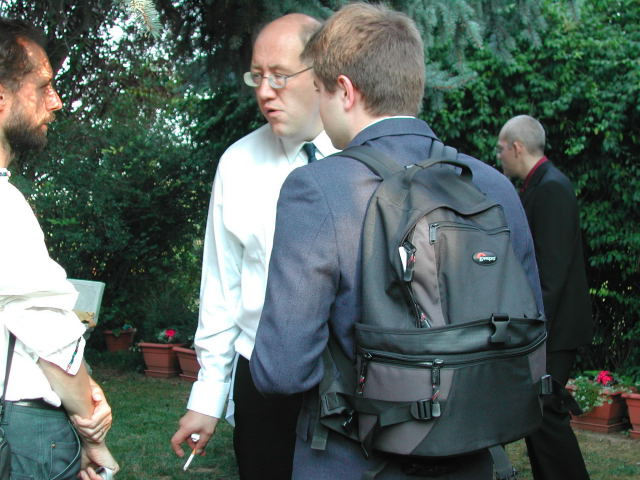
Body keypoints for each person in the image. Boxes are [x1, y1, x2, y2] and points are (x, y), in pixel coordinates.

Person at [250, 3, 543, 479]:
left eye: (321, 91)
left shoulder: (317, 188)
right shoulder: (492, 186)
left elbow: (281, 371)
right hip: (473, 455)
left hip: (352, 460)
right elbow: (530, 330)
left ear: (345, 90)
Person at [170, 13, 337, 479]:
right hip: (261, 380)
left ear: (322, 72)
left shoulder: (365, 157)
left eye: (279, 76)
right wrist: (208, 396)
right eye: (257, 76)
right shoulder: (238, 164)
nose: (264, 91)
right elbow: (221, 289)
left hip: (353, 379)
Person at [0, 17, 119, 480]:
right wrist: (93, 427)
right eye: (43, 86)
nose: (57, 101)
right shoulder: (4, 206)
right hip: (21, 430)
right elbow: (48, 331)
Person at [497, 114, 592, 480]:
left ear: (517, 147)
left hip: (554, 327)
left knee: (546, 411)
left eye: (501, 149)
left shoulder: (551, 187)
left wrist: (534, 329)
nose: (499, 157)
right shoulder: (542, 184)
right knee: (539, 412)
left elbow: (550, 272)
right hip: (549, 325)